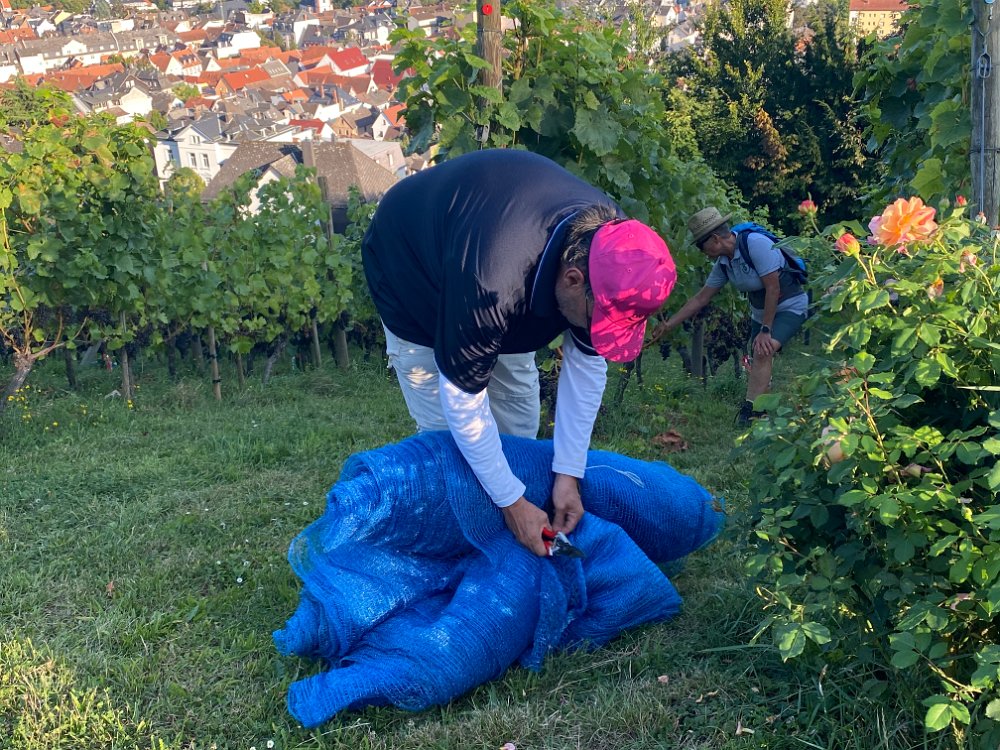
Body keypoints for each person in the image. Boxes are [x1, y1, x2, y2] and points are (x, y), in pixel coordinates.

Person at [362, 149, 676, 556]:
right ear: (572, 279)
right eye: (597, 319)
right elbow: (462, 402)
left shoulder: (618, 250)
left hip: (492, 262)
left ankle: (510, 523)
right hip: (411, 270)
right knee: (450, 447)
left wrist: (568, 474)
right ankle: (462, 545)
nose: (596, 331)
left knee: (518, 424)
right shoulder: (491, 279)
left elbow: (586, 366)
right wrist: (512, 503)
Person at [650, 207, 808, 426]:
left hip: (790, 305)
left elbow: (773, 288)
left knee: (763, 350)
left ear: (715, 239)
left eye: (701, 245)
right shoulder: (724, 264)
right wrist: (668, 325)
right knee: (758, 358)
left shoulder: (756, 244)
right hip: (761, 312)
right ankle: (763, 414)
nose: (701, 251)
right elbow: (700, 298)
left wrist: (766, 330)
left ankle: (750, 413)